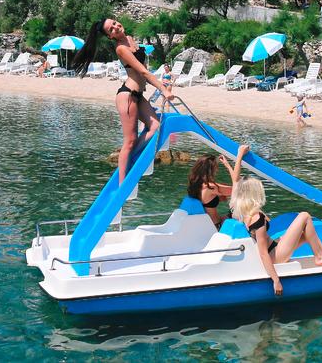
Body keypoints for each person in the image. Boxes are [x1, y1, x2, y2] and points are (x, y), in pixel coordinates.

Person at [72, 19, 173, 183]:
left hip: (138, 95)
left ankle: (131, 159)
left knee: (155, 126)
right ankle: (121, 183)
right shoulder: (121, 49)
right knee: (130, 141)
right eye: (111, 29)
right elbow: (143, 72)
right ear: (110, 36)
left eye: (114, 23)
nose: (116, 27)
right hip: (128, 96)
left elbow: (144, 71)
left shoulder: (131, 39)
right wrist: (163, 89)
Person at [230, 177, 322, 296]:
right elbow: (263, 254)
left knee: (307, 234)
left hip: (274, 248)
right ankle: (320, 257)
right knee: (304, 216)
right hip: (275, 256)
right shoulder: (257, 219)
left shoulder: (243, 213)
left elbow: (236, 184)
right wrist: (276, 280)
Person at [187, 145, 249, 228]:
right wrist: (238, 157)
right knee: (246, 211)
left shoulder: (195, 184)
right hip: (217, 226)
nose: (217, 170)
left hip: (209, 225)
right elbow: (237, 187)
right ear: (211, 170)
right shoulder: (211, 187)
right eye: (216, 167)